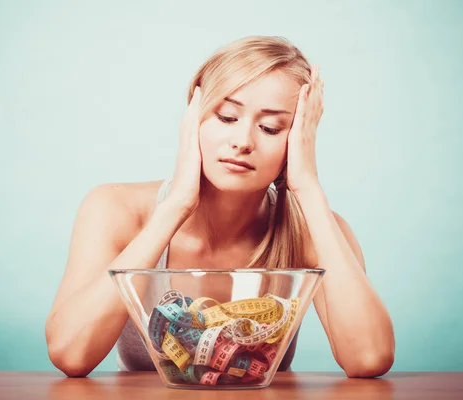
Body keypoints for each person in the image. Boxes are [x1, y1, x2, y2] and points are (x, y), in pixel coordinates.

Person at [45, 35, 395, 379]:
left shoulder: (315, 230)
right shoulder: (115, 209)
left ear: (299, 138)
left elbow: (368, 358)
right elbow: (71, 354)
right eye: (227, 117)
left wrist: (308, 188)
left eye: (271, 128)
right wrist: (177, 205)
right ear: (192, 117)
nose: (242, 142)